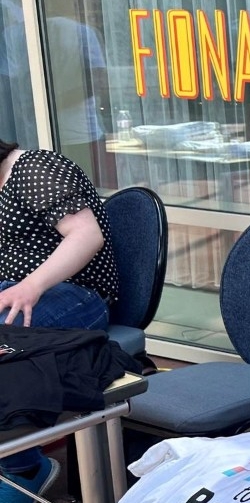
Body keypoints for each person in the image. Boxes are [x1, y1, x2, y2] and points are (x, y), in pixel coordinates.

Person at [0, 139, 119, 502]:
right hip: (13, 293)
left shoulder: (34, 168)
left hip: (75, 294)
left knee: (9, 355)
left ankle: (23, 471)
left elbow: (87, 235)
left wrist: (31, 285)